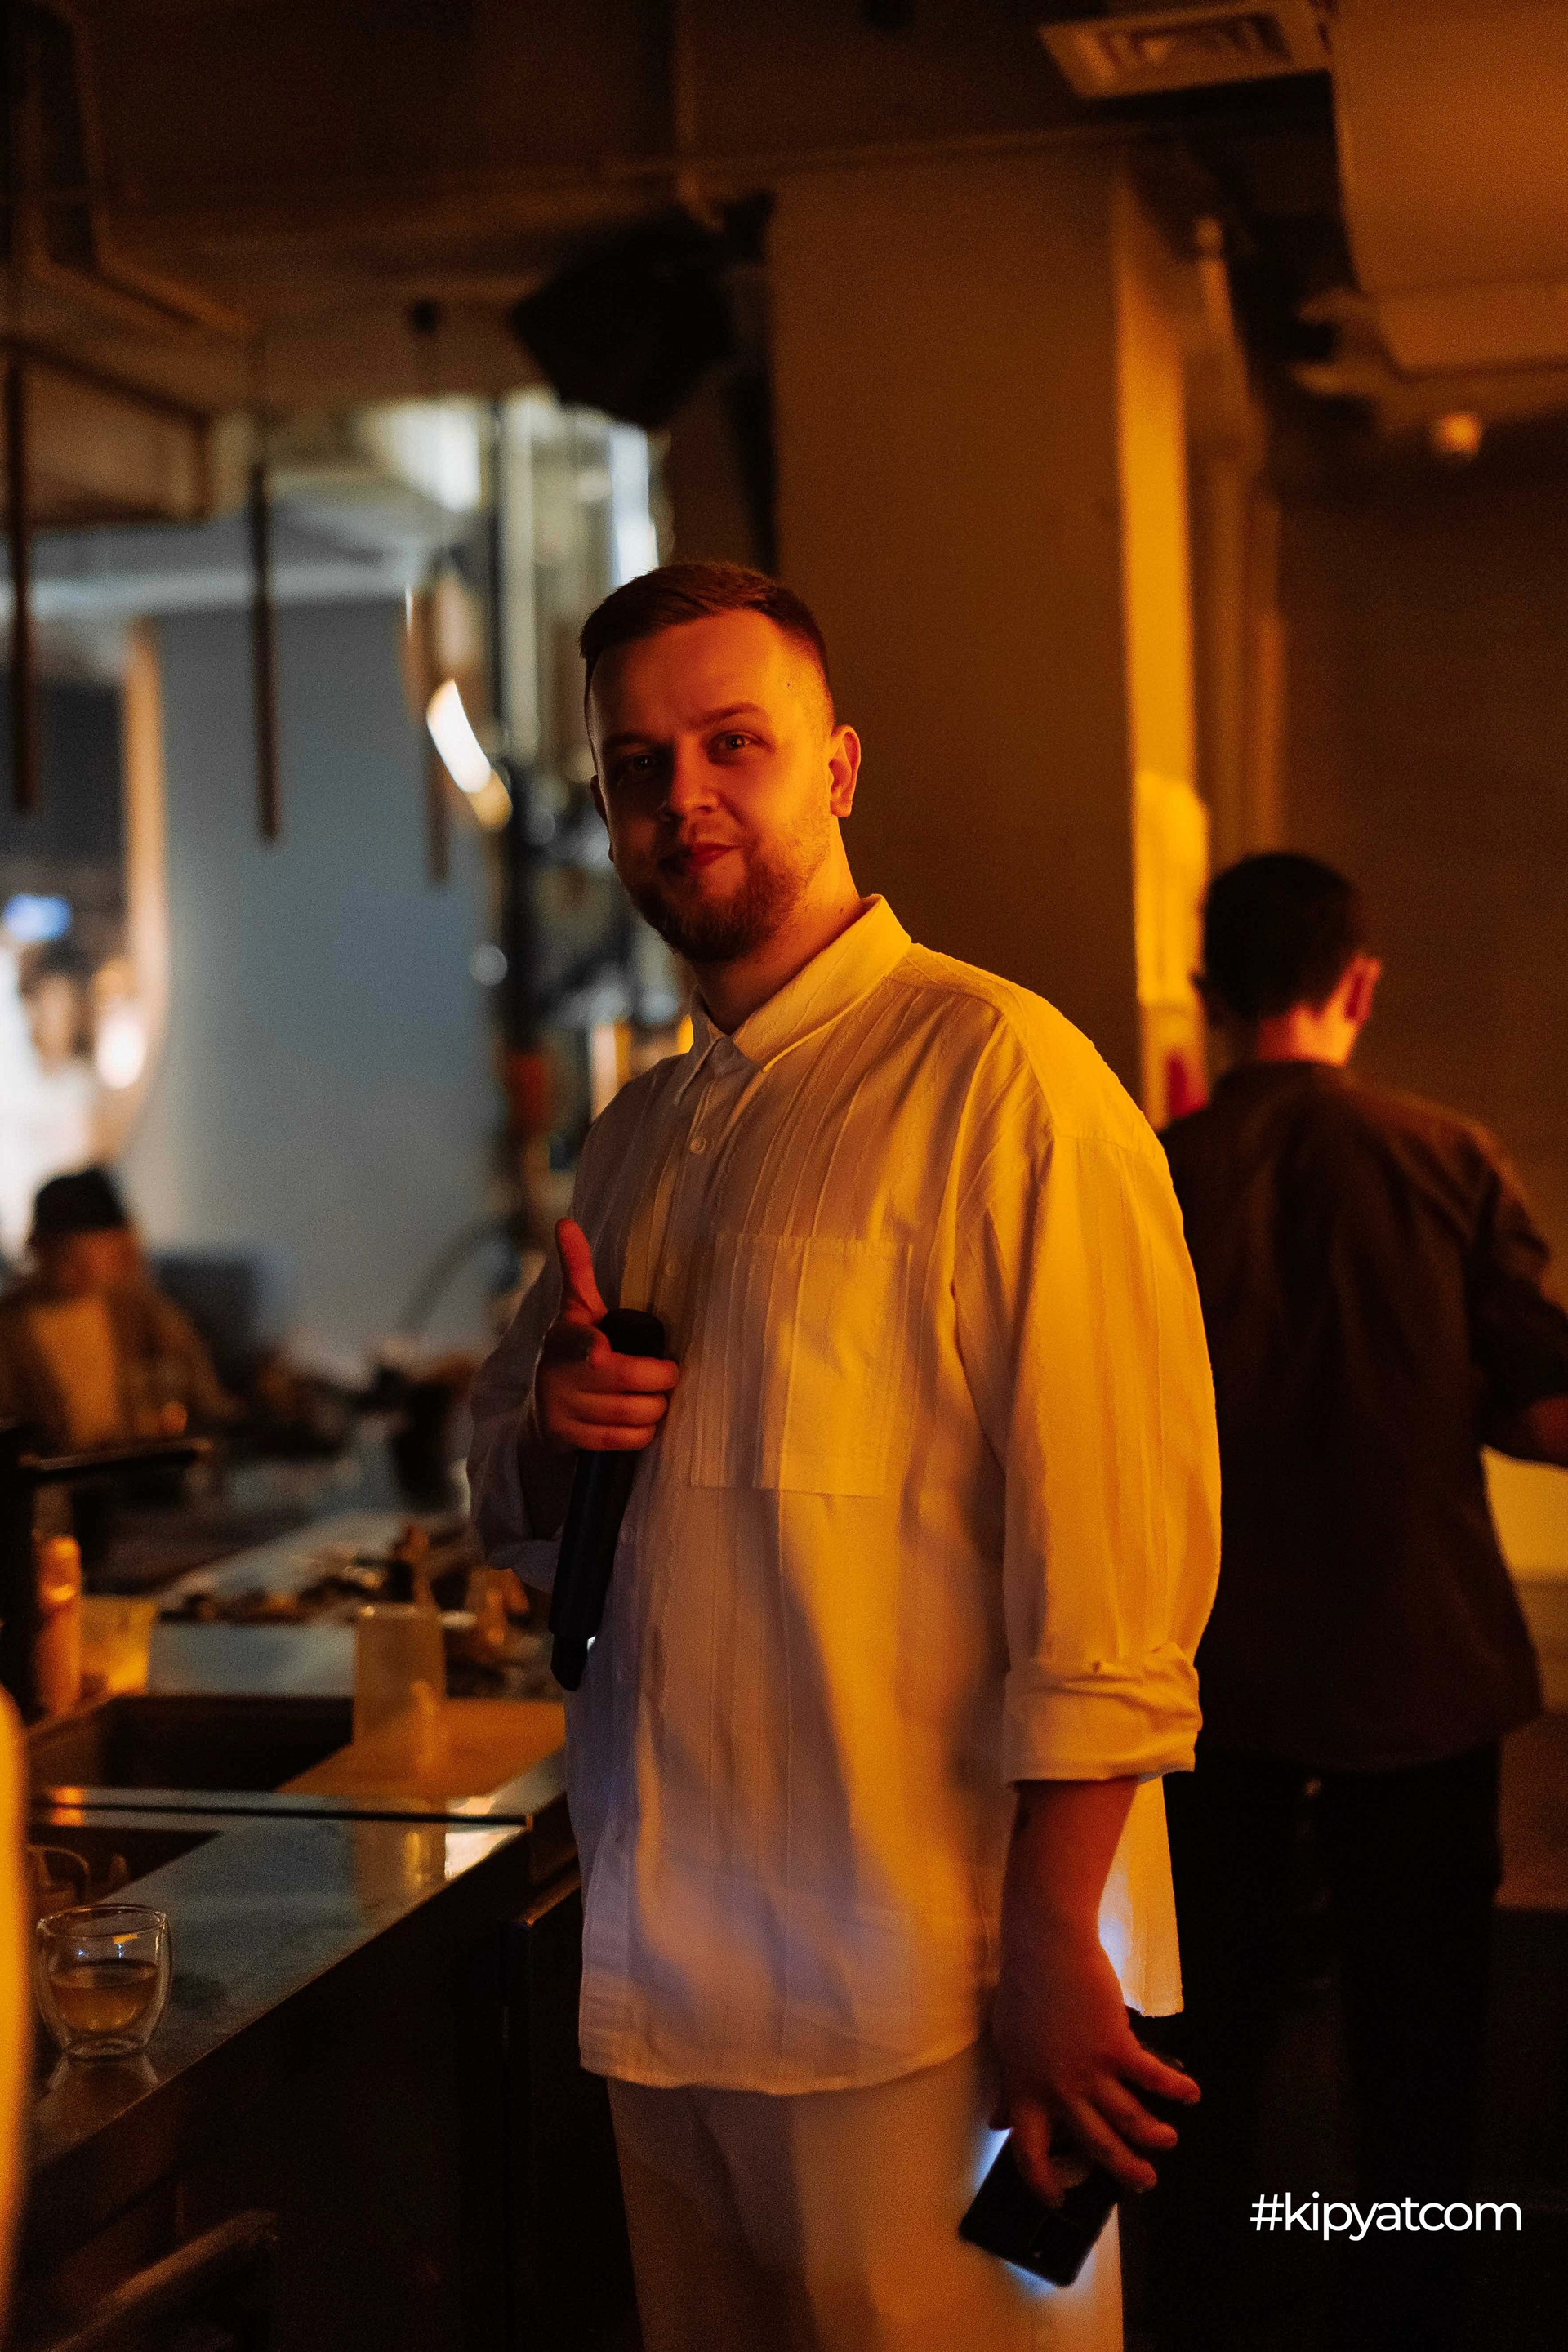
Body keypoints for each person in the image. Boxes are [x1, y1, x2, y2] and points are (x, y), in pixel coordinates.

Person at [469, 561, 1220, 2352]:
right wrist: (560, 1430)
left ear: (839, 767)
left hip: (923, 2002)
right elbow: (515, 1505)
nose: (684, 797)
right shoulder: (640, 1134)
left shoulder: (1007, 1084)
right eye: (639, 765)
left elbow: (1117, 1579)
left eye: (734, 743)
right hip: (664, 1988)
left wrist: (1055, 1948)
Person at [1153, 852, 1568, 2352]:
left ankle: (1206, 2302)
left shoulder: (1150, 1170)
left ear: (1208, 989)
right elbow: (1548, 1409)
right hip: (1419, 1675)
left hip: (1207, 1686)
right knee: (1421, 2050)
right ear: (1363, 983)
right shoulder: (1447, 1157)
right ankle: (1405, 2299)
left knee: (1203, 2041)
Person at [0, 1168, 239, 1454]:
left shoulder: (140, 1310)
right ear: (39, 1249)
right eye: (67, 1253)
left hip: (141, 1467)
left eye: (95, 1251)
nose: (84, 1267)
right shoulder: (11, 1326)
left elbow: (202, 1393)